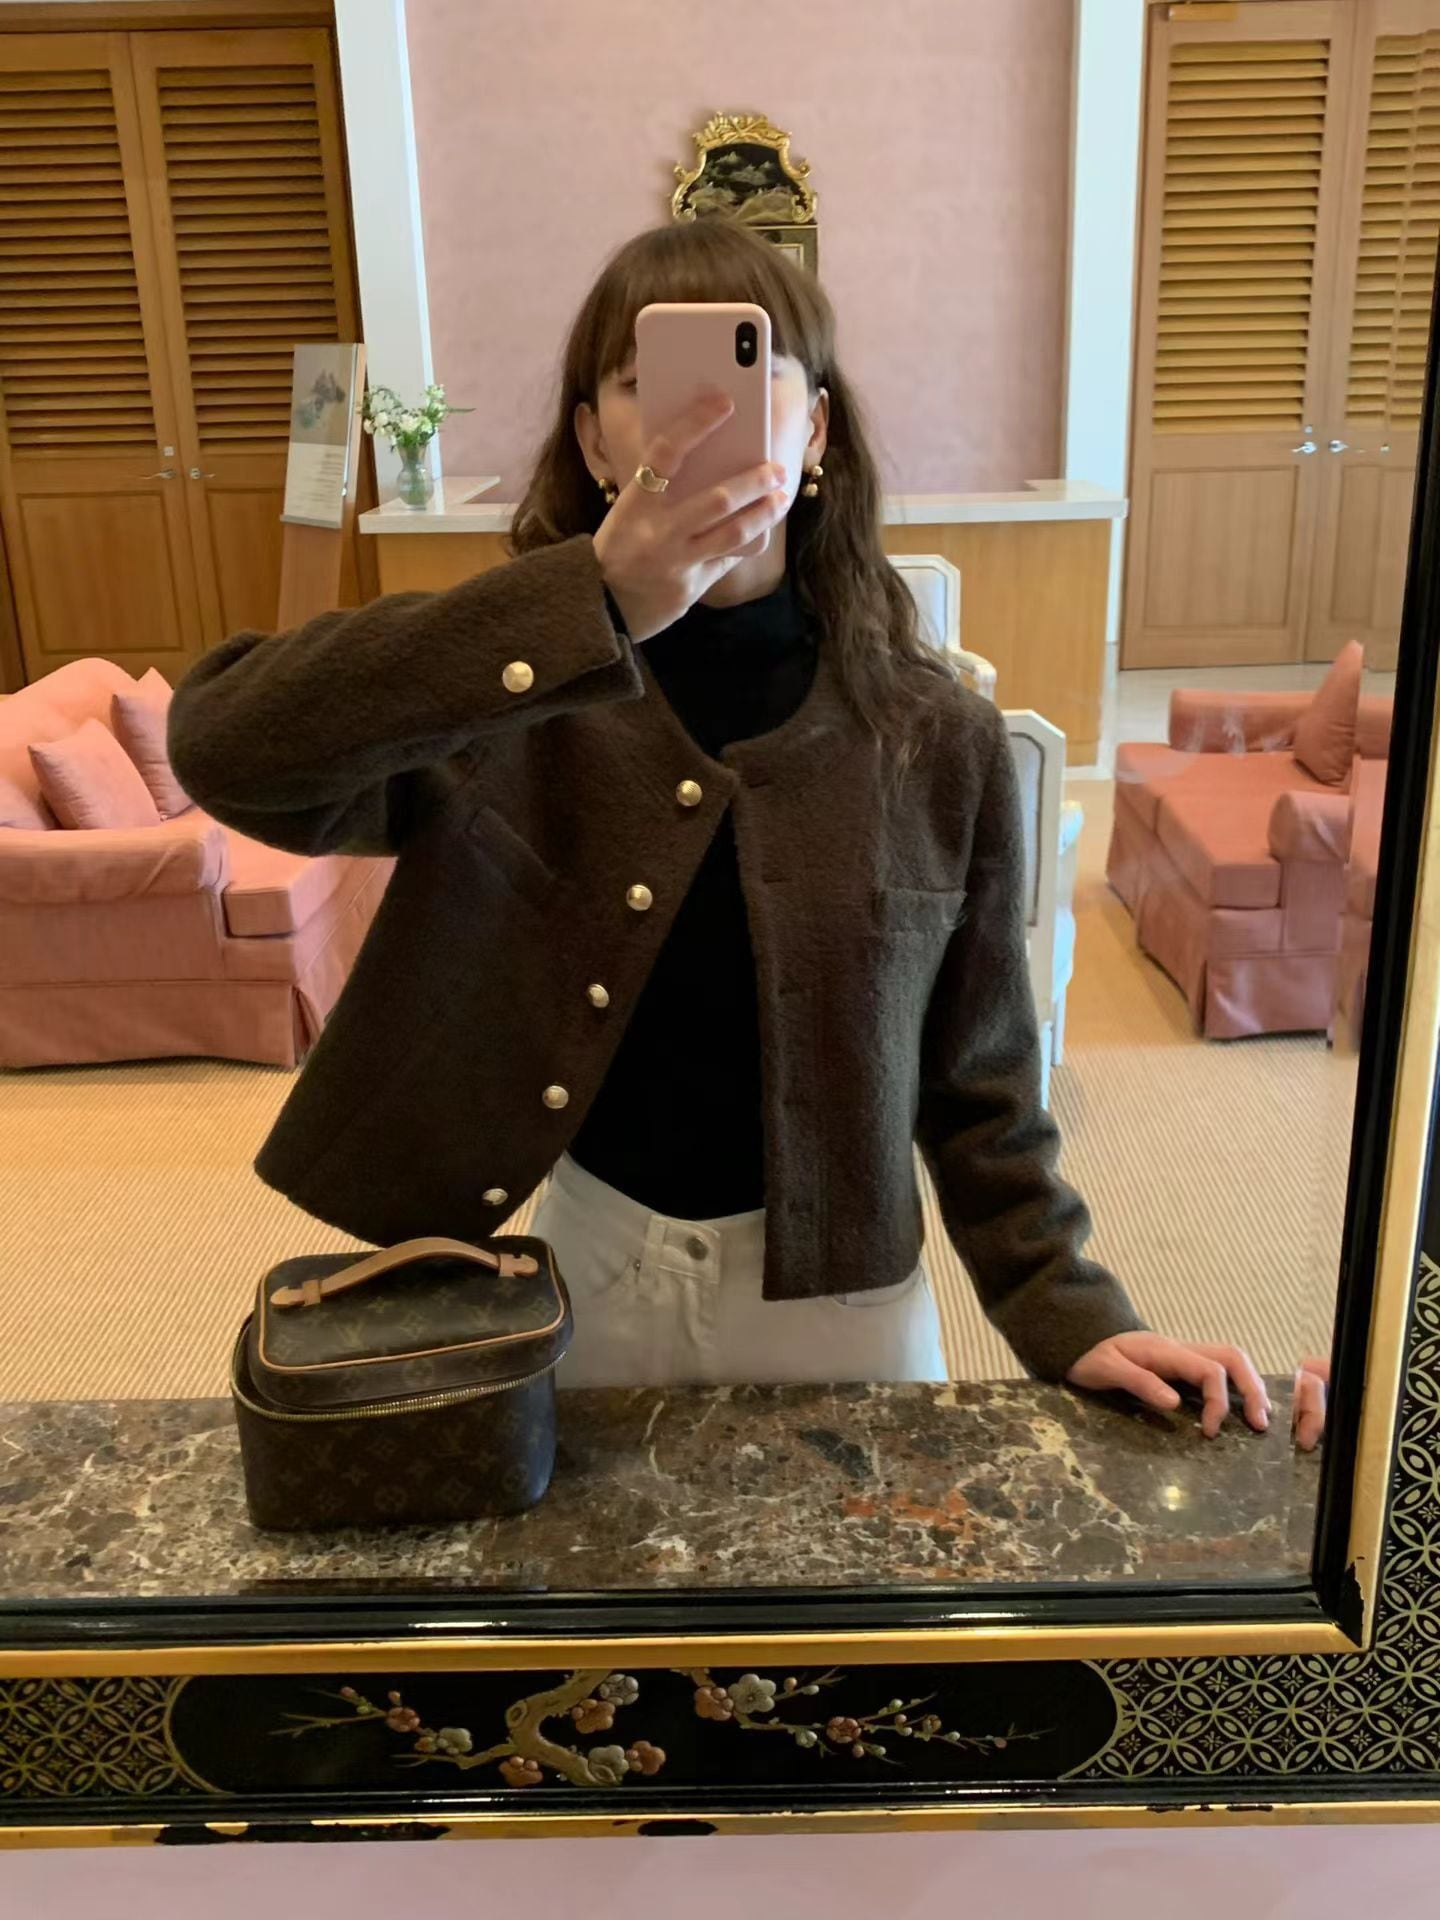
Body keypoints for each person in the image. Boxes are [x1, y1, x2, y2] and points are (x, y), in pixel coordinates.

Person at [169, 218, 1275, 1439]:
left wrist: (1072, 1307)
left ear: (815, 432)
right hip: (582, 1280)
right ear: (594, 440)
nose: (692, 417)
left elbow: (981, 1086)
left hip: (847, 1301)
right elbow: (223, 745)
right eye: (642, 382)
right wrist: (587, 601)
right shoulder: (507, 698)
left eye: (750, 374)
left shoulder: (936, 740)